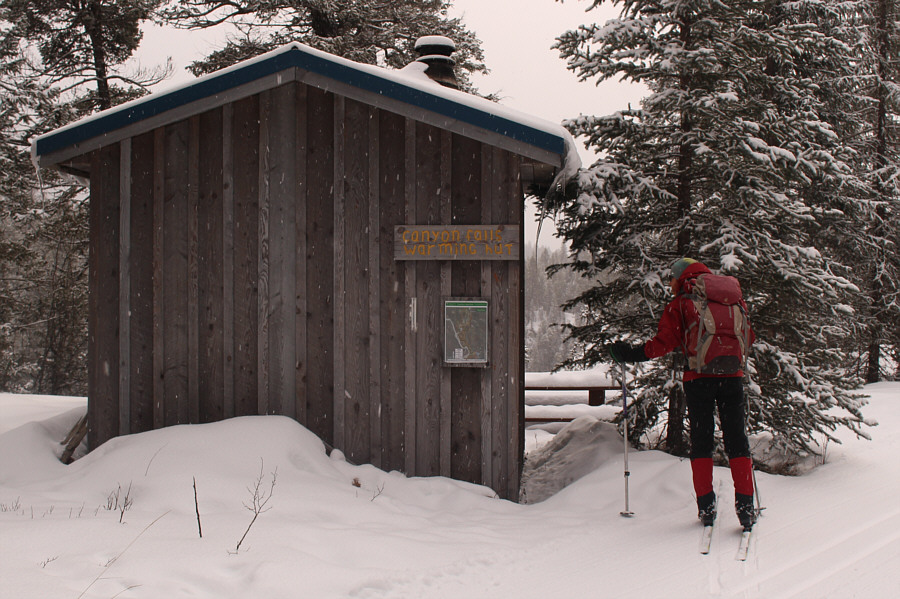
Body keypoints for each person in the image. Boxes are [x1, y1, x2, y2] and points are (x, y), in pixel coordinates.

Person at [609, 258, 757, 529]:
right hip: (733, 377)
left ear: (680, 278)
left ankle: (707, 508)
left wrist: (631, 354)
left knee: (702, 442)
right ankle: (746, 507)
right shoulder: (731, 297)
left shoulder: (683, 301)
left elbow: (664, 342)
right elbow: (749, 337)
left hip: (699, 379)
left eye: (671, 280)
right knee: (737, 439)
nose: (670, 284)